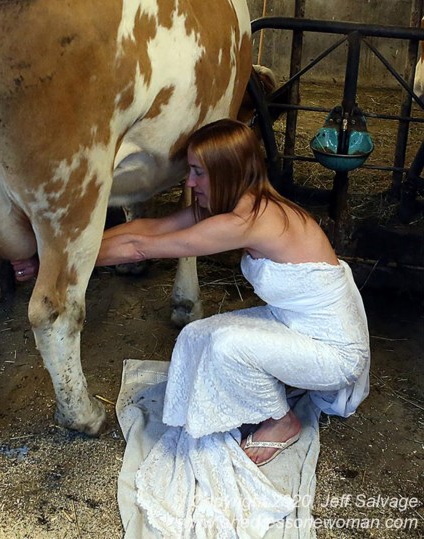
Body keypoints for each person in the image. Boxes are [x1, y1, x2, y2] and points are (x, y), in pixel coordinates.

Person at [98, 118, 370, 467]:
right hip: (292, 325)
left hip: (334, 353)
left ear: (225, 171)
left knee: (227, 348)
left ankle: (282, 422)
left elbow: (140, 248)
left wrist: (52, 264)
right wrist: (57, 249)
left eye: (197, 172)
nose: (189, 181)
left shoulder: (247, 222)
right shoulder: (235, 204)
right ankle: (256, 394)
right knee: (197, 335)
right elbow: (144, 228)